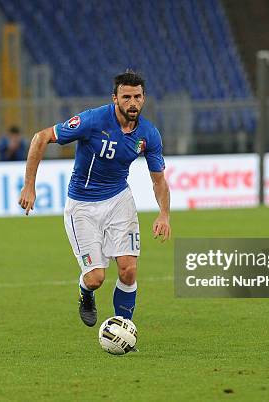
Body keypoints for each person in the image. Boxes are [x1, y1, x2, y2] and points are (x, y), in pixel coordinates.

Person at [19, 70, 171, 327]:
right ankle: (85, 293)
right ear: (115, 98)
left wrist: (164, 214)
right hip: (82, 206)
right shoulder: (92, 120)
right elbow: (40, 137)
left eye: (137, 97)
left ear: (144, 98)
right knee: (96, 278)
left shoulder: (149, 134)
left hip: (119, 200)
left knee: (129, 269)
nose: (132, 103)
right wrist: (29, 186)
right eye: (126, 97)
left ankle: (123, 327)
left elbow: (159, 180)